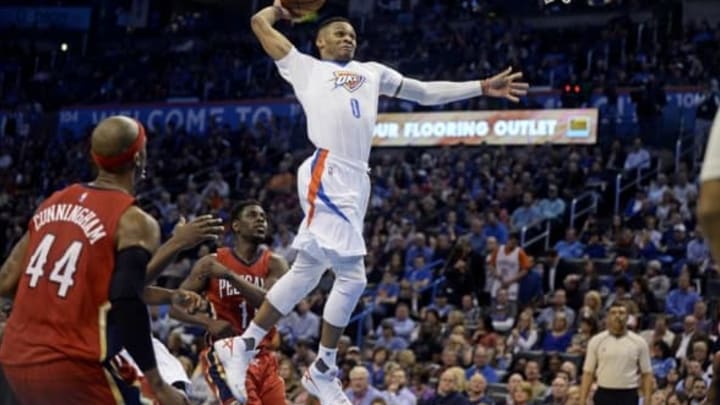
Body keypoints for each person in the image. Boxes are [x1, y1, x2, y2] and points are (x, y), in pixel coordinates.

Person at [212, 2, 530, 404]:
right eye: (340, 33)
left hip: (356, 176)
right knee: (353, 277)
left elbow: (426, 92)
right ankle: (322, 368)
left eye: (353, 35)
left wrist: (481, 86)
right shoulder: (305, 67)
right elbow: (257, 22)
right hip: (328, 167)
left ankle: (244, 346)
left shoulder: (372, 71)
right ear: (320, 41)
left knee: (308, 271)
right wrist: (281, 8)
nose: (348, 38)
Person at [0, 116, 222, 405]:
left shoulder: (51, 203)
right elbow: (126, 302)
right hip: (72, 366)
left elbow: (6, 280)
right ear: (140, 156)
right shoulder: (133, 221)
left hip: (17, 358)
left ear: (94, 157)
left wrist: (55, 300)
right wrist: (157, 382)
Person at [172, 200, 288, 405]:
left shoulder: (275, 263)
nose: (261, 219)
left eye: (263, 217)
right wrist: (208, 323)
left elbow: (271, 304)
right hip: (226, 354)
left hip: (263, 356)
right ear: (236, 226)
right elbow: (175, 305)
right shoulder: (210, 262)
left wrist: (229, 276)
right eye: (252, 215)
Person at [580, 302, 652, 405]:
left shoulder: (639, 342)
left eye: (621, 313)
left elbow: (647, 373)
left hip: (628, 394)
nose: (617, 316)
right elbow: (588, 373)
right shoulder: (596, 341)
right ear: (608, 317)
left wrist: (647, 400)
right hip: (604, 392)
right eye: (613, 313)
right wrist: (582, 399)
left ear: (627, 317)